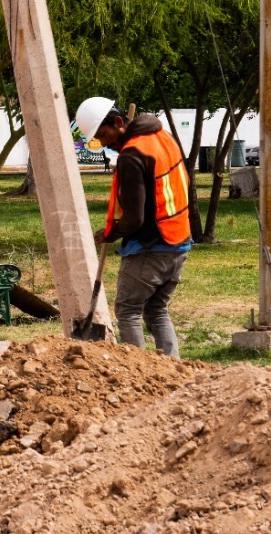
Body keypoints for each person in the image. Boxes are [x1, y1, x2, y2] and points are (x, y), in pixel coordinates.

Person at [74, 97, 192, 357]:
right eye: (98, 140)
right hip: (179, 241)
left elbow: (134, 219)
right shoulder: (163, 137)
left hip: (149, 247)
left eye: (104, 135)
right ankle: (172, 371)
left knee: (128, 311)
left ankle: (138, 373)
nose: (105, 144)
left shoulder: (131, 155)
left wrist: (108, 234)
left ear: (118, 122)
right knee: (156, 310)